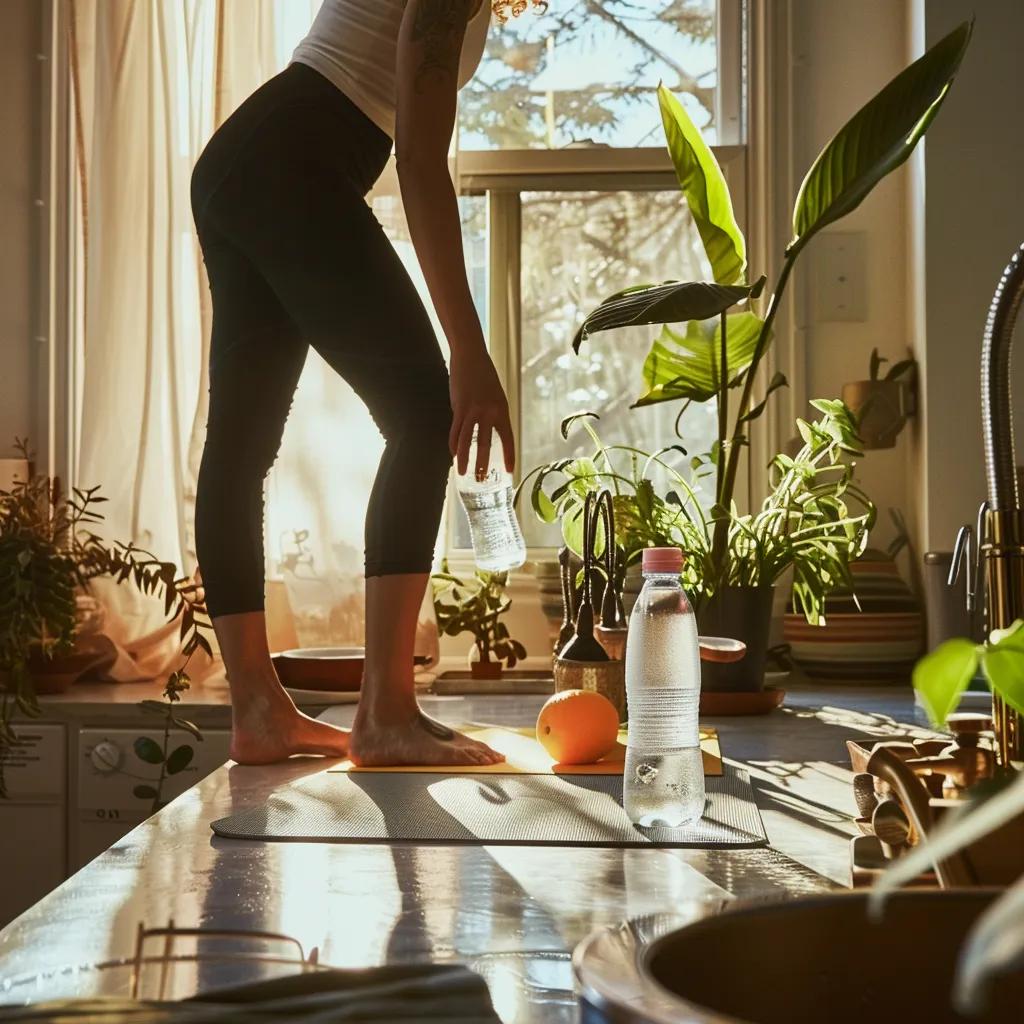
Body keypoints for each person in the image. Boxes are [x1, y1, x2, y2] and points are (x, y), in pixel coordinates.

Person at [191, 0, 545, 767]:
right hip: (288, 163)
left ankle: (259, 712)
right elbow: (419, 162)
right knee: (424, 415)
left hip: (248, 164)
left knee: (242, 446)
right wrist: (469, 353)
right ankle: (385, 713)